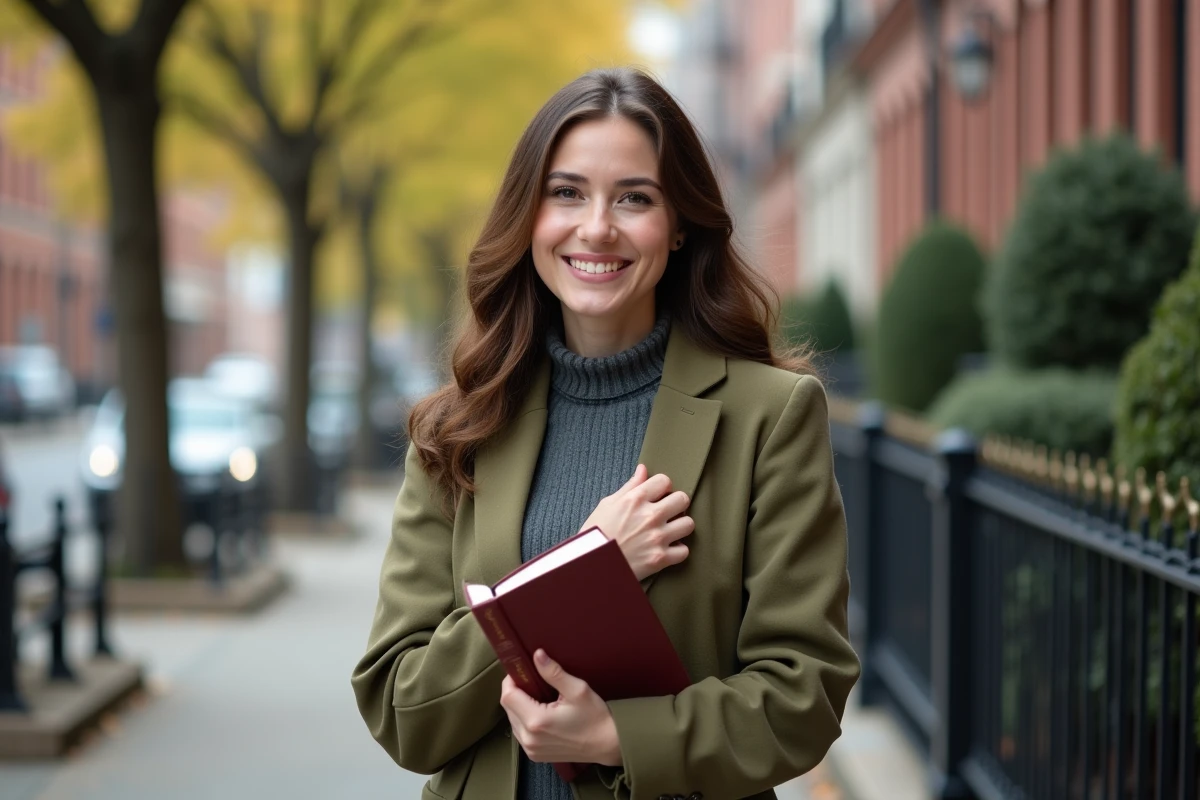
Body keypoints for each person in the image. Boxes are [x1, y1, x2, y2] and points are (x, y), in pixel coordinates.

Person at [351, 67, 860, 800]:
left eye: (634, 197)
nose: (596, 226)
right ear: (529, 216)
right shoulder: (457, 426)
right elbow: (401, 709)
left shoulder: (769, 416)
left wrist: (619, 737)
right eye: (566, 193)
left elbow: (804, 696)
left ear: (679, 223)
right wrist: (588, 568)